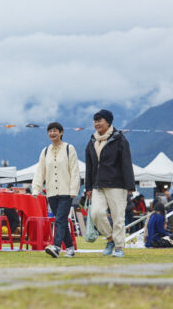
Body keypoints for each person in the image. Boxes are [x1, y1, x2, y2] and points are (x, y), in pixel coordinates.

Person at [85, 109, 135, 258]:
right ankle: (110, 239)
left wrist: (130, 185)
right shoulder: (92, 141)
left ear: (108, 122)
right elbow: (89, 166)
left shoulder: (119, 139)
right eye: (95, 121)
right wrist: (88, 187)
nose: (96, 123)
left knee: (118, 217)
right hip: (98, 184)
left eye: (99, 120)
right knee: (96, 213)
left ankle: (119, 247)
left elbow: (126, 163)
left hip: (117, 184)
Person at [32, 122, 80, 258]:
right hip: (52, 192)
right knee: (61, 221)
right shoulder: (45, 151)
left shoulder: (69, 148)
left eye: (55, 131)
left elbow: (75, 170)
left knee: (59, 219)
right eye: (50, 131)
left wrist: (73, 190)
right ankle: (70, 248)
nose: (52, 133)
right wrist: (36, 189)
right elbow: (40, 171)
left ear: (61, 132)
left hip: (66, 192)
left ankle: (56, 247)